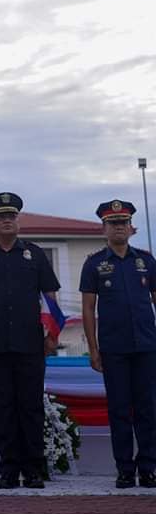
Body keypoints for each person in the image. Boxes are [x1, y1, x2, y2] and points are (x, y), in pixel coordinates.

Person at [0, 192, 60, 489]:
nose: (7, 220)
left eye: (11, 216)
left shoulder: (35, 254)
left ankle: (33, 469)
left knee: (31, 406)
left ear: (18, 221)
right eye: (1, 217)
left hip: (31, 342)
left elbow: (50, 297)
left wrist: (52, 333)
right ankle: (8, 469)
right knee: (1, 407)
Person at [79, 199, 156, 489]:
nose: (119, 227)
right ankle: (125, 469)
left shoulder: (146, 261)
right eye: (113, 223)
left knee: (148, 409)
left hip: (147, 346)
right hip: (114, 349)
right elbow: (88, 308)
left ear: (132, 228)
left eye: (123, 222)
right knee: (120, 410)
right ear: (104, 229)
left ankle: (148, 468)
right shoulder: (95, 263)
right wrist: (93, 348)